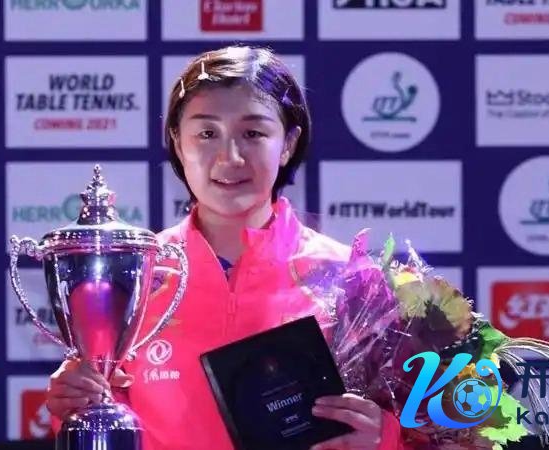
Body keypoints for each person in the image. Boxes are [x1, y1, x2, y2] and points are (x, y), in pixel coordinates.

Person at [46, 45, 402, 450]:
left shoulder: (350, 279)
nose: (230, 157)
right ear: (178, 142)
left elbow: (428, 427)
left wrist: (384, 436)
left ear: (288, 142)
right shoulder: (131, 274)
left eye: (253, 134)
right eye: (207, 133)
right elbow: (106, 422)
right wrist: (75, 403)